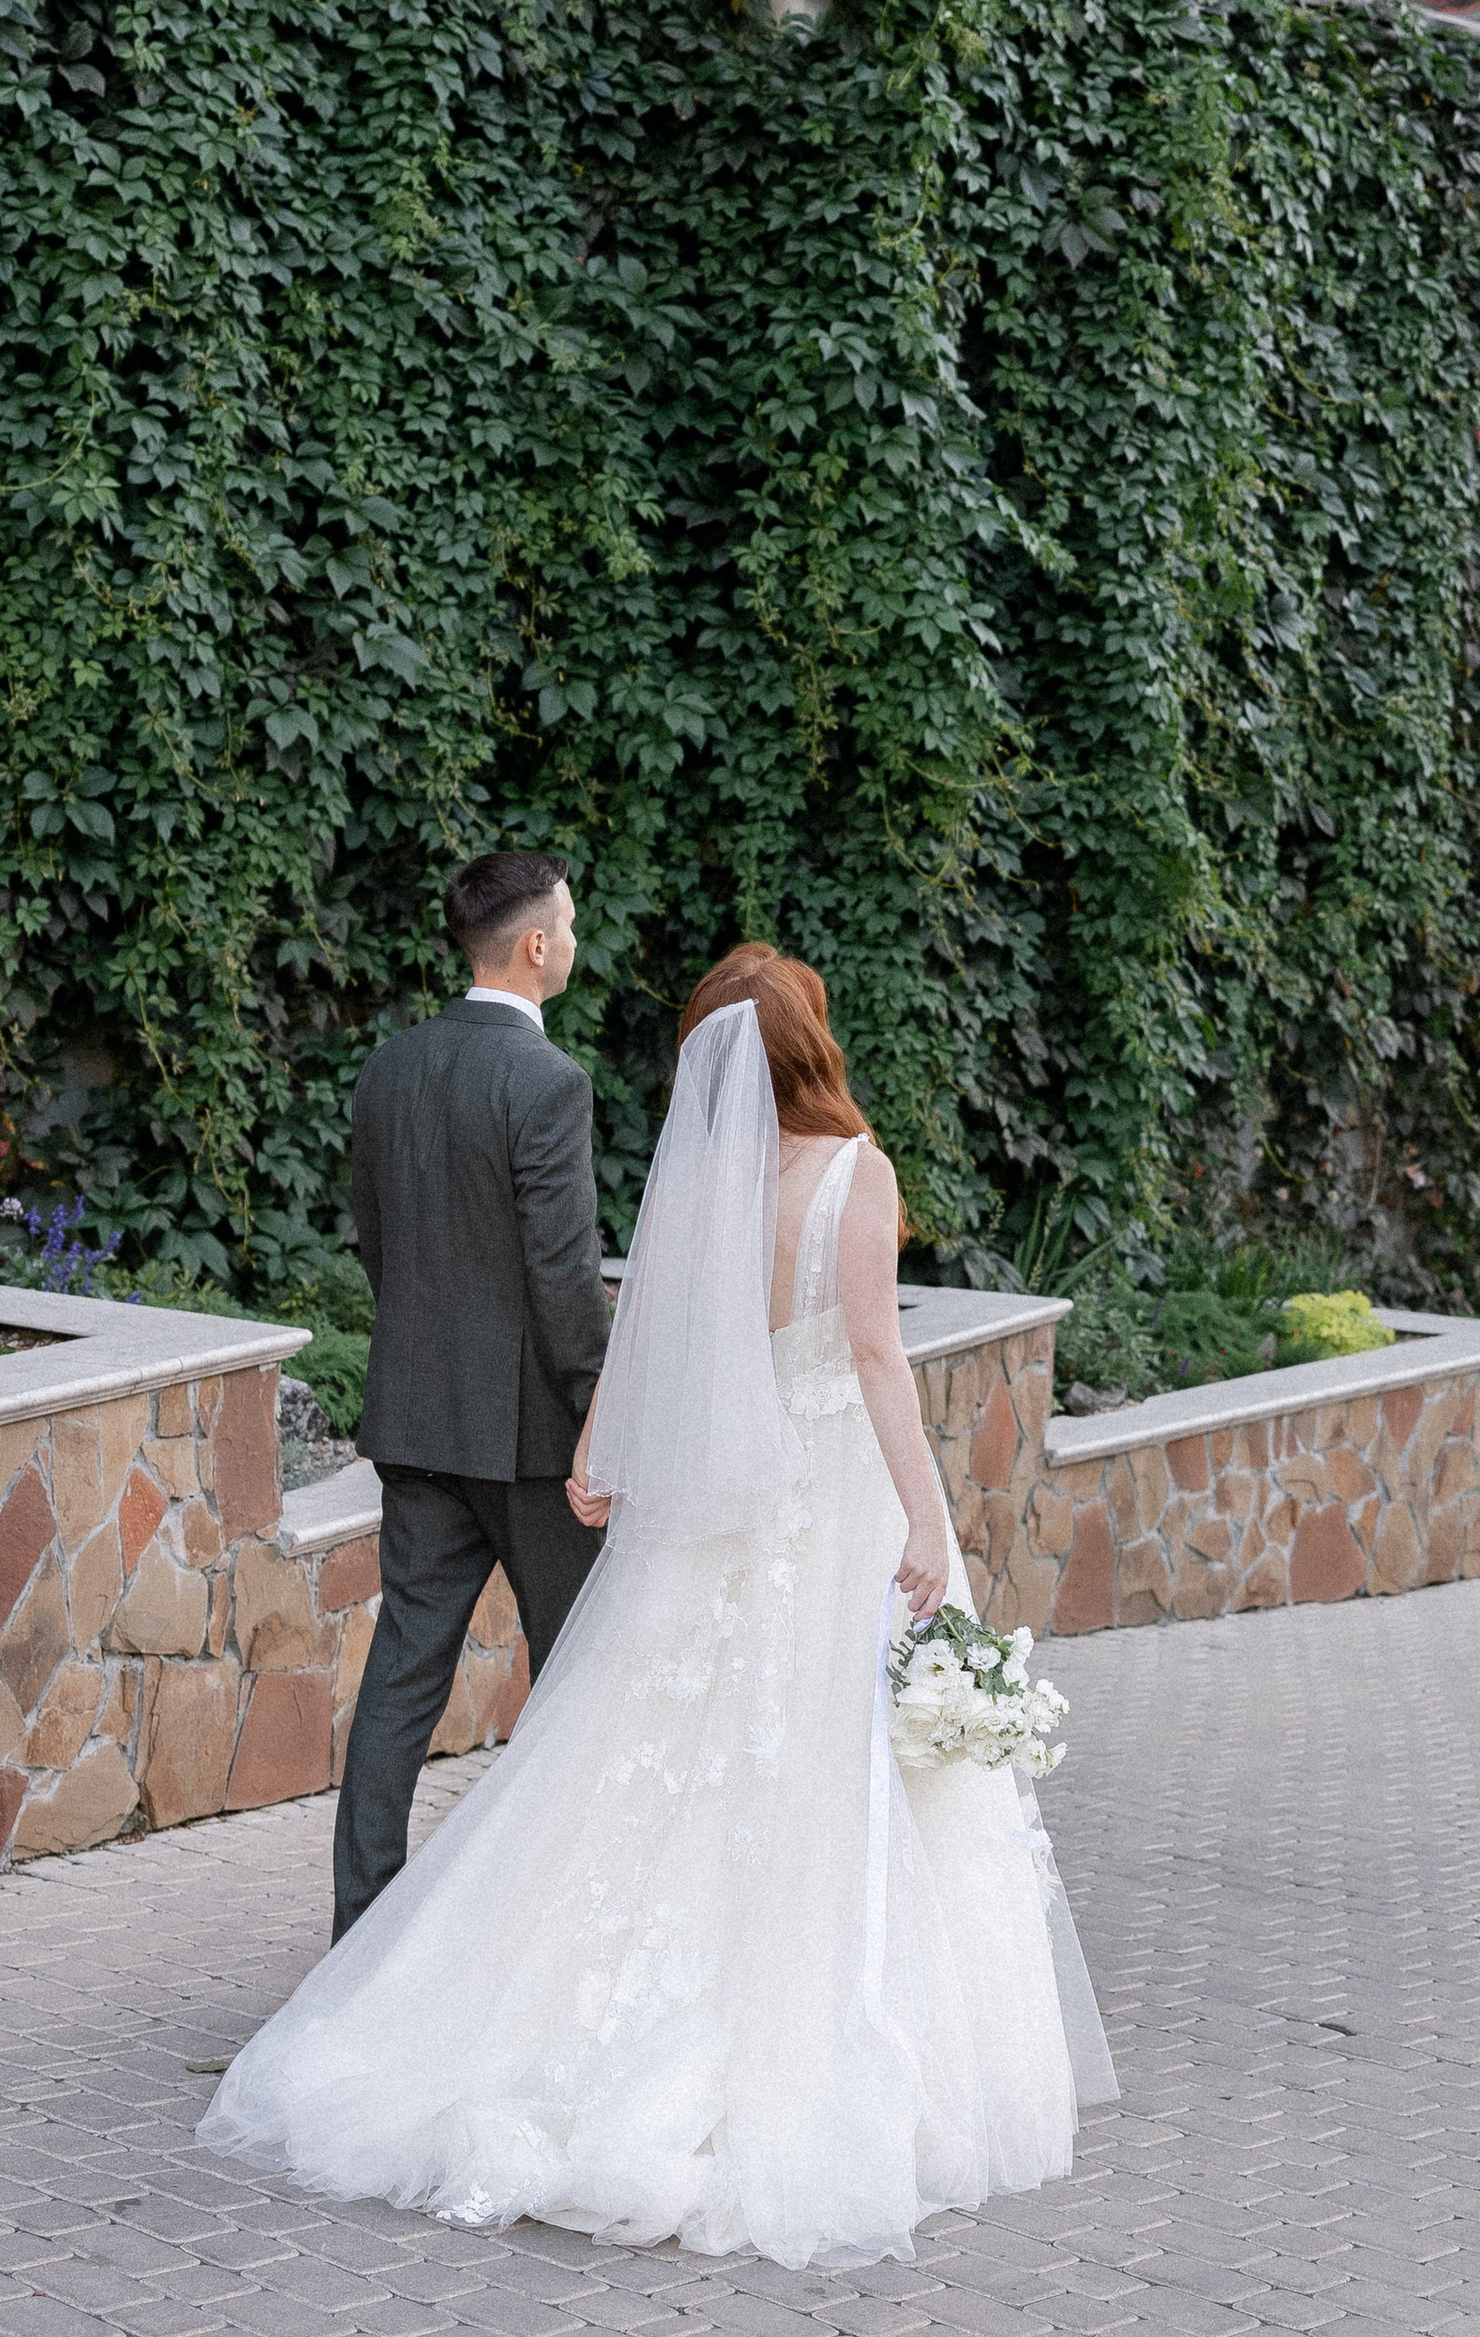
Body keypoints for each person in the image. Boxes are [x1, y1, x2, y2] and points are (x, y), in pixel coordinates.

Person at [202, 943, 1115, 2266]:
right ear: (817, 1044)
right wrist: (927, 1516)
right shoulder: (856, 1174)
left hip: (713, 1519)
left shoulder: (706, 1178)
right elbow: (873, 1353)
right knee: (823, 1765)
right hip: (826, 1501)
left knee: (641, 1760)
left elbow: (643, 1324)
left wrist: (596, 1455)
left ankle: (525, 2030)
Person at [330, 849, 613, 1944]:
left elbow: (380, 1242)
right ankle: (554, 1938)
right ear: (535, 947)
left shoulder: (390, 1067)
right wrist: (600, 1409)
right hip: (536, 1442)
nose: (576, 941)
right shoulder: (548, 1083)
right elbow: (561, 1274)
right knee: (576, 1675)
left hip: (418, 1422)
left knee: (401, 1678)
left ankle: (359, 1938)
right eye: (571, 924)